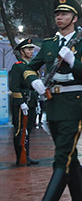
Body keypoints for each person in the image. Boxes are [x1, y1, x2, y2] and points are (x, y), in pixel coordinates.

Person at [25, 0, 82, 201]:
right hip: (52, 103)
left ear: (75, 18)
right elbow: (29, 68)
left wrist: (73, 60)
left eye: (65, 14)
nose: (60, 17)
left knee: (62, 156)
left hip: (73, 102)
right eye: (57, 14)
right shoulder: (48, 44)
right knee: (69, 154)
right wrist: (33, 81)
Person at [9, 38, 40, 166]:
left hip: (31, 102)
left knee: (28, 130)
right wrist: (21, 102)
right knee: (20, 130)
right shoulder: (18, 67)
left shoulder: (32, 67)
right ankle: (20, 157)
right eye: (28, 49)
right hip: (21, 102)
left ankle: (26, 155)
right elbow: (14, 87)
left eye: (32, 49)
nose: (31, 51)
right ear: (22, 51)